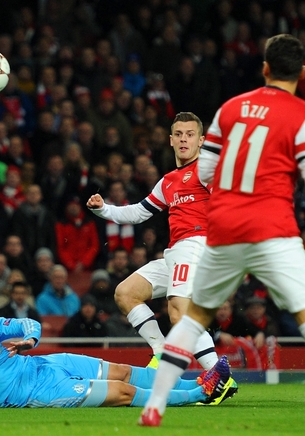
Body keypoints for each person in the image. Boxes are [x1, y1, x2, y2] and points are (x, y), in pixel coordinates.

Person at [141, 34, 305, 429]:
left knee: (191, 319)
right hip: (272, 228)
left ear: (264, 69)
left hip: (224, 228)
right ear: (304, 73)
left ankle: (154, 405)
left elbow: (206, 172)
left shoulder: (229, 109)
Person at [0, 285, 232, 409]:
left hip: (46, 364)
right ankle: (199, 395)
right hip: (31, 393)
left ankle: (196, 382)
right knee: (121, 392)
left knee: (123, 371)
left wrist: (30, 340)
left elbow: (29, 324)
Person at [87, 112, 222, 374]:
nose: (184, 139)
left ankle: (218, 375)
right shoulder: (169, 181)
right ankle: (161, 352)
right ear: (171, 140)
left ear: (202, 141)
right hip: (176, 251)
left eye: (191, 134)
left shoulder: (206, 170)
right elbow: (138, 212)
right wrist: (104, 210)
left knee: (179, 311)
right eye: (179, 134)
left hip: (197, 244)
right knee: (126, 293)